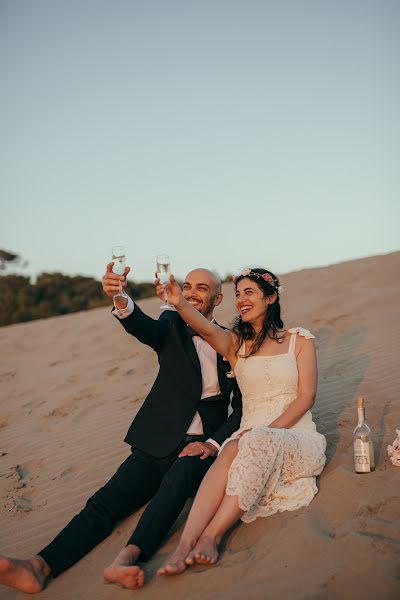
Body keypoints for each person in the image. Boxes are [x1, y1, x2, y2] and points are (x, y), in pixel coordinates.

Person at [0, 264, 242, 593]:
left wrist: (213, 444)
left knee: (170, 492)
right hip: (156, 443)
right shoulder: (170, 325)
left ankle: (128, 558)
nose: (192, 293)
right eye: (187, 287)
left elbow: (242, 408)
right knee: (105, 503)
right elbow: (143, 327)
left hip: (198, 449)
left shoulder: (232, 342)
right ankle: (39, 566)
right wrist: (120, 297)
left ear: (218, 297)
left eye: (202, 288)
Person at [157, 267, 326, 575]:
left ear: (271, 297)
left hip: (296, 438)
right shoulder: (236, 346)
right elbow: (206, 329)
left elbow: (306, 397)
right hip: (247, 439)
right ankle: (184, 545)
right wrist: (179, 303)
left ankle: (211, 537)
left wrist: (266, 433)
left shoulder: (299, 340)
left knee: (251, 440)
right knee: (232, 447)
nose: (241, 300)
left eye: (249, 292)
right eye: (237, 294)